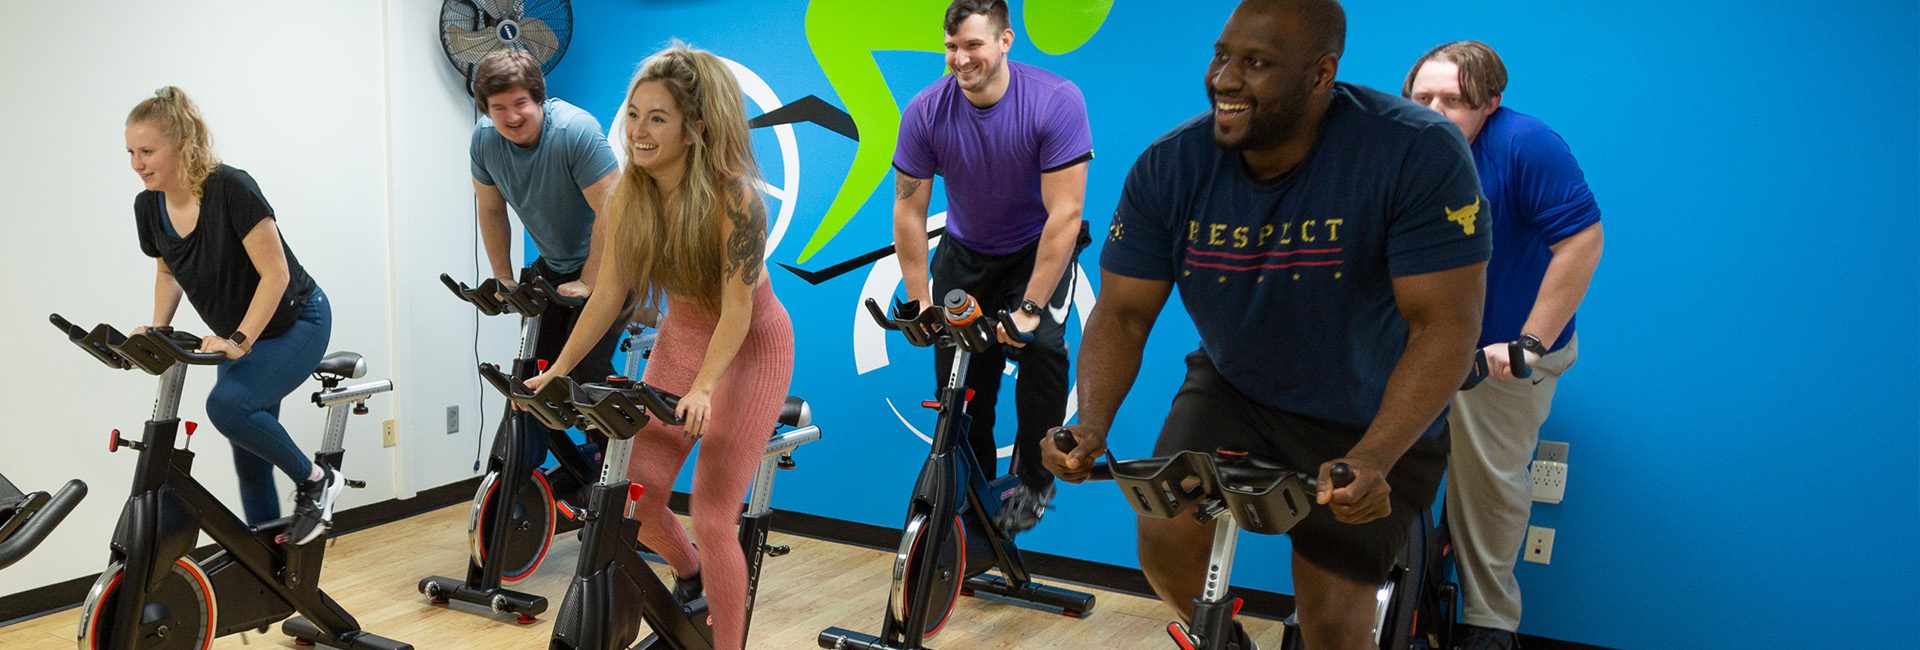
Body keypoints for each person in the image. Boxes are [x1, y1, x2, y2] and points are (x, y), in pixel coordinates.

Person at [1041, 1, 1491, 648]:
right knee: (1163, 536)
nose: (1225, 78)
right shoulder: (1172, 166)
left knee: (1332, 616)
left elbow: (1446, 327)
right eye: (1222, 55)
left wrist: (1373, 457)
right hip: (1238, 386)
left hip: (1370, 404)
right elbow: (1122, 312)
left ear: (1320, 75)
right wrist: (1089, 424)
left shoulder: (1414, 152)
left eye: (1255, 64)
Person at [524, 43, 792, 650]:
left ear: (694, 128)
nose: (638, 131)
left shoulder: (734, 198)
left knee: (716, 515)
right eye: (634, 113)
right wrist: (560, 370)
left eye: (658, 118)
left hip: (751, 346)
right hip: (684, 336)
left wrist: (703, 388)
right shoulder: (628, 196)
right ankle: (692, 574)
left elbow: (738, 311)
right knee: (635, 497)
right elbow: (608, 292)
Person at [1405, 40, 1604, 650]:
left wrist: (1529, 343)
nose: (1435, 112)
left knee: (1487, 487)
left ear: (1490, 103)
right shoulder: (1396, 146)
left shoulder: (1525, 145)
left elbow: (1581, 242)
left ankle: (1489, 626)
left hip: (1502, 351)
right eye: (1422, 98)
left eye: (1454, 101)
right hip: (1422, 340)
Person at [892, 0, 1094, 532]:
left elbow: (1066, 214)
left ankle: (1034, 480)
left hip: (1037, 247)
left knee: (1043, 346)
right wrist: (921, 304)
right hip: (965, 250)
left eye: (973, 45)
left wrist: (1028, 309)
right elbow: (909, 211)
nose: (960, 59)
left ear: (1005, 41)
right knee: (959, 379)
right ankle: (975, 496)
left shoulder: (1055, 101)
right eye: (951, 47)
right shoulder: (926, 110)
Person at [125, 86, 340, 544]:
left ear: (181, 146)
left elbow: (276, 275)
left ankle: (318, 482)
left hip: (297, 323)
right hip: (245, 334)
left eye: (147, 151)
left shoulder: (231, 188)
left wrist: (239, 341)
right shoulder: (149, 205)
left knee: (228, 407)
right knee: (250, 457)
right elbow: (168, 269)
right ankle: (269, 566)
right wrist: (158, 329)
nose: (137, 163)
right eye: (131, 152)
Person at [468, 48, 627, 468]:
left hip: (617, 264)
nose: (511, 117)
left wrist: (591, 279)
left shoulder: (575, 132)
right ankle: (523, 475)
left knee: (581, 373)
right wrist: (503, 278)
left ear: (539, 99)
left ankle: (619, 477)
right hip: (554, 266)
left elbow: (612, 213)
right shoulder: (484, 140)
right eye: (498, 108)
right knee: (531, 378)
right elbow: (490, 208)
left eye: (520, 103)